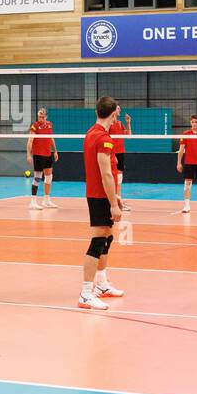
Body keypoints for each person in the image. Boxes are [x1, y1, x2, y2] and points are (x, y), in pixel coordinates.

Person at [79, 97, 125, 311]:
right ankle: (86, 293)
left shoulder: (91, 133)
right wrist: (113, 203)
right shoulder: (104, 139)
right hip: (100, 196)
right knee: (98, 240)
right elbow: (105, 173)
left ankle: (102, 284)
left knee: (107, 237)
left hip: (101, 195)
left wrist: (115, 197)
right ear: (114, 114)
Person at [26, 108, 58, 210]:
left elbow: (51, 138)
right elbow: (30, 141)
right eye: (39, 116)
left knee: (49, 176)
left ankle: (46, 200)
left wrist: (55, 151)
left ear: (46, 117)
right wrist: (28, 155)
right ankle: (33, 202)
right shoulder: (34, 126)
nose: (40, 118)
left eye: (42, 117)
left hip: (47, 154)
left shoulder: (49, 124)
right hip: (38, 155)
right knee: (37, 178)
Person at [109, 109, 132, 211]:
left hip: (121, 152)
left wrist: (128, 123)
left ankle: (118, 200)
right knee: (111, 177)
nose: (120, 110)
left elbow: (129, 135)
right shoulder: (109, 124)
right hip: (112, 153)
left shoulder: (120, 123)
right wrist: (112, 154)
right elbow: (106, 139)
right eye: (118, 108)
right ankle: (113, 202)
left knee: (119, 177)